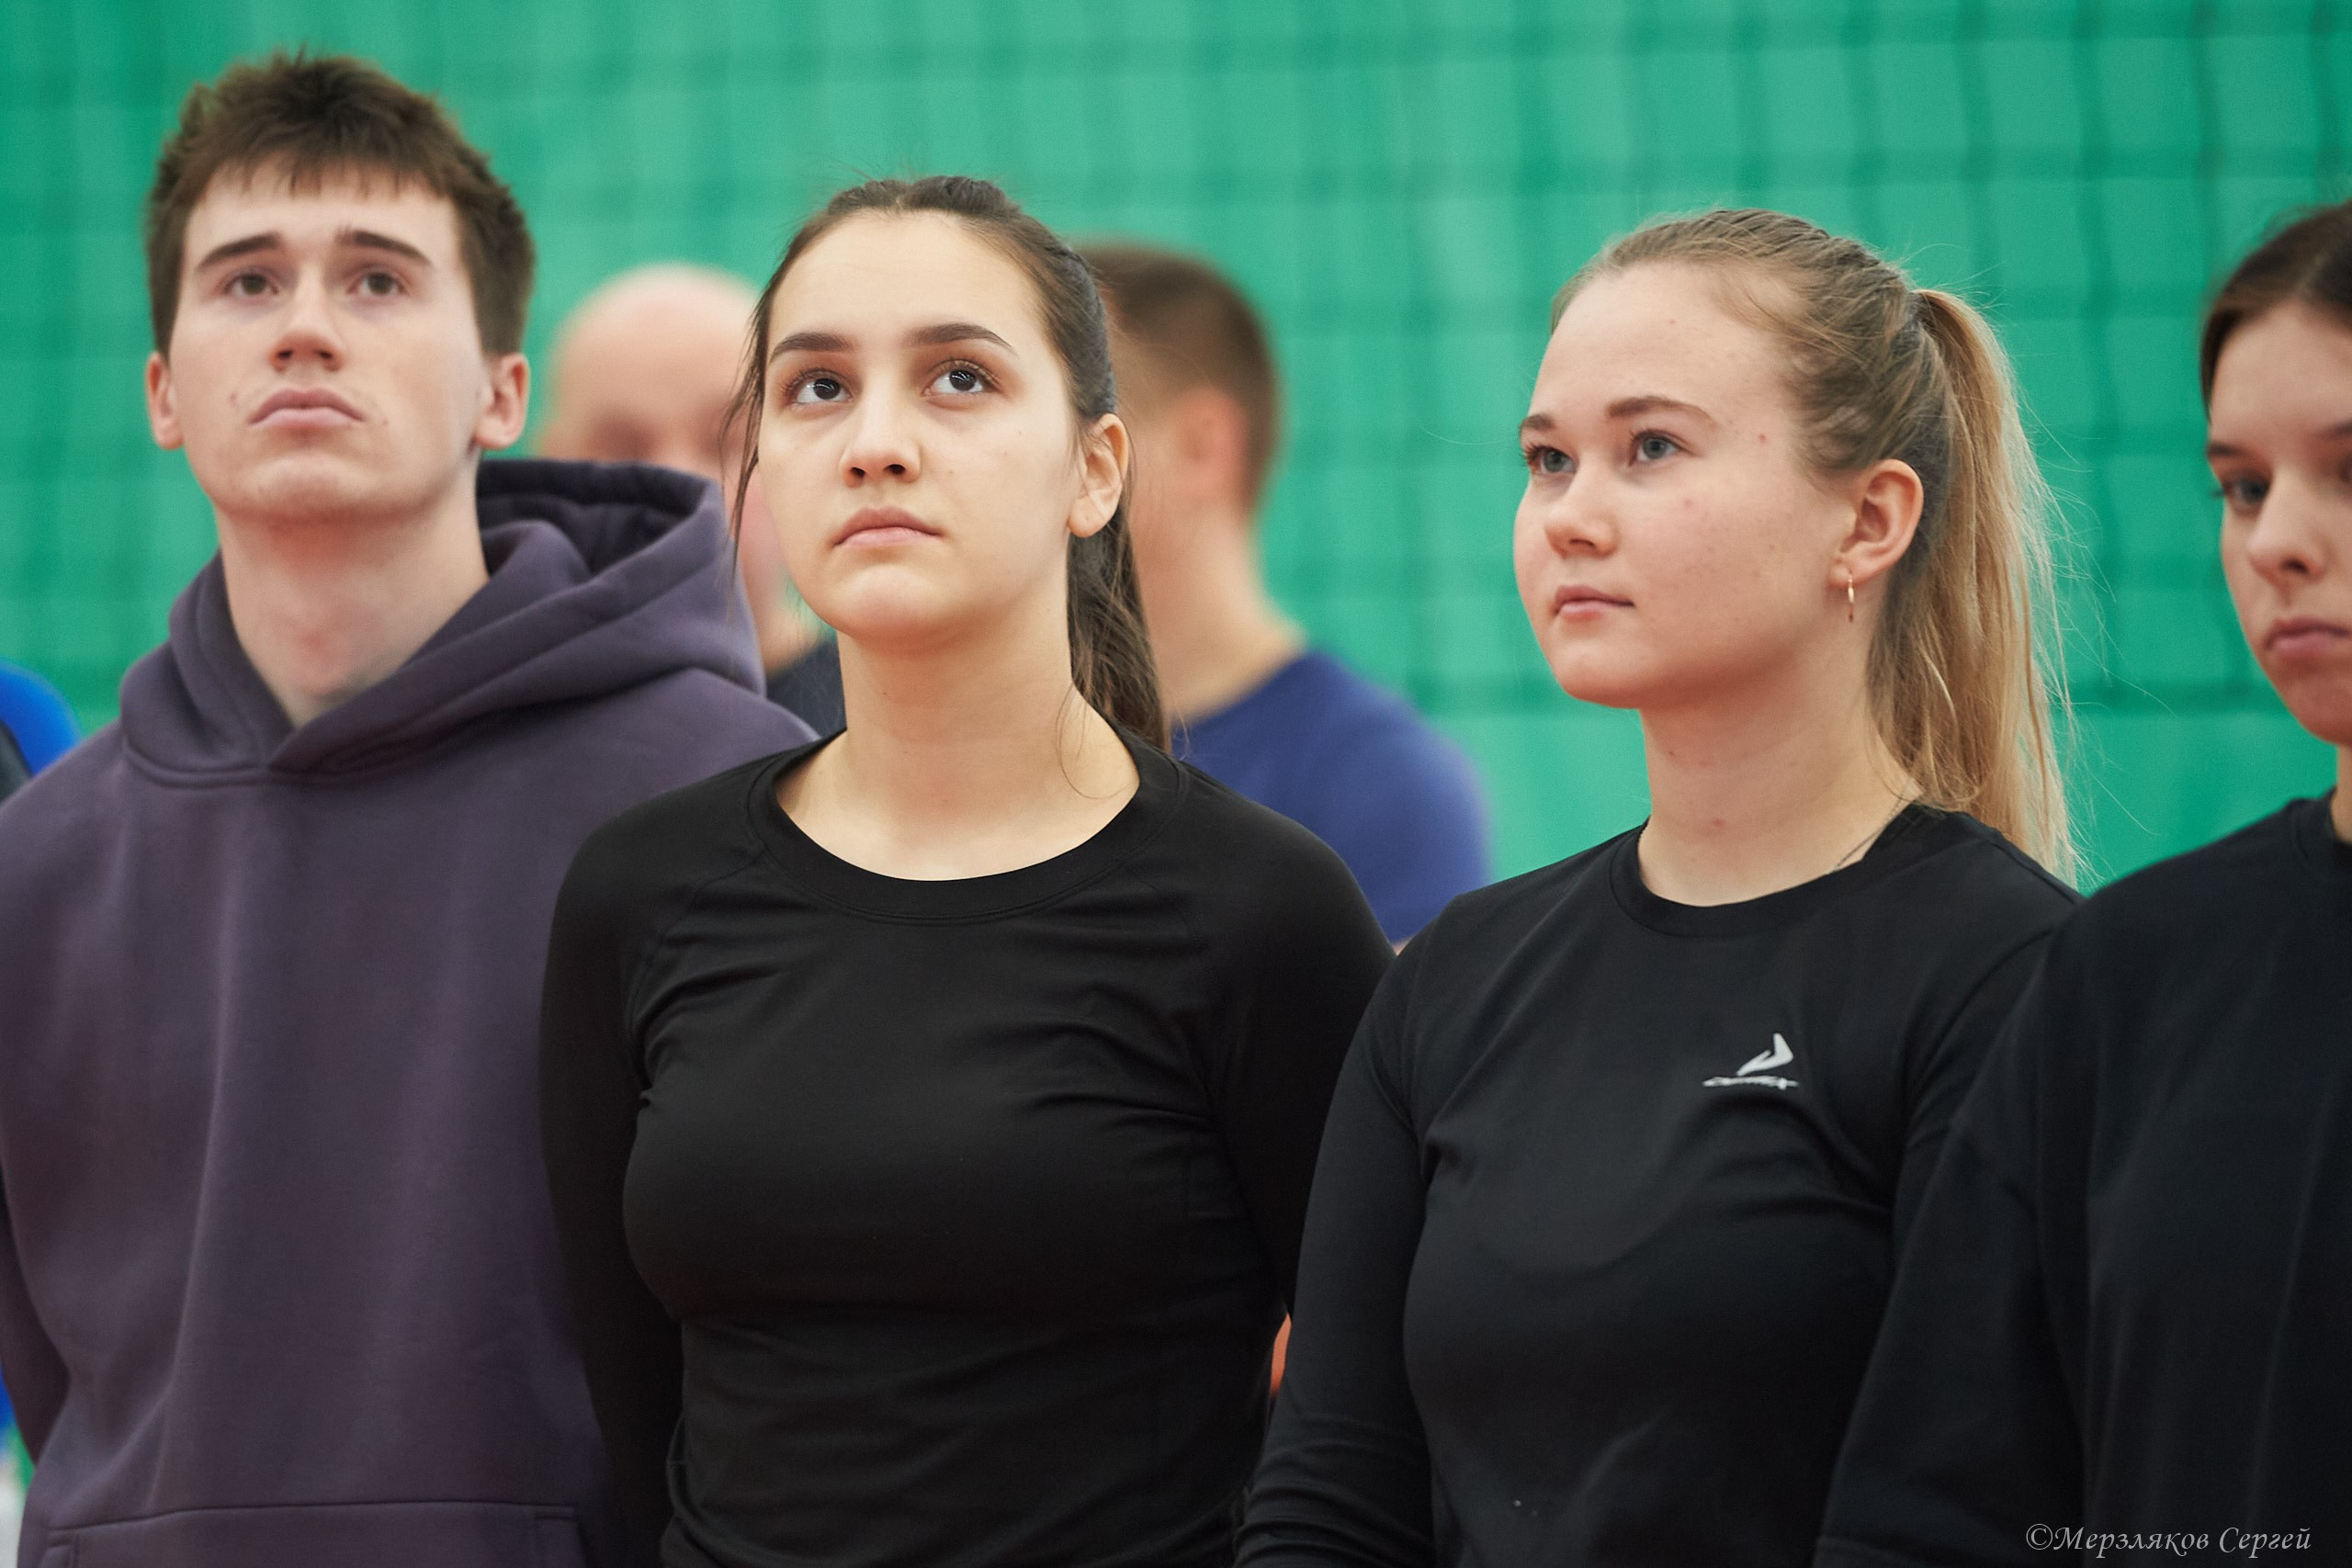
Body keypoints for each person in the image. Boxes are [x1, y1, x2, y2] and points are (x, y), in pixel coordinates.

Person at [0, 53, 809, 1568]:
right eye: (246, 282)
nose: (306, 323)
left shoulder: (733, 802)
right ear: (164, 393)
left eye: (377, 280)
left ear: (505, 386)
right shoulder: (37, 864)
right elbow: (59, 1373)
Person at [539, 175, 1392, 1568]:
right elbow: (639, 1428)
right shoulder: (640, 893)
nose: (876, 441)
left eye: (957, 377)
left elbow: (1371, 1428)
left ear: (1095, 467)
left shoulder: (1261, 911)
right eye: (816, 387)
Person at [1238, 209, 2079, 1566]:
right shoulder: (1453, 979)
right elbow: (1331, 1494)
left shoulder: (2012, 974)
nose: (1572, 514)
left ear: (1867, 518)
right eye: (1547, 458)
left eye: (1651, 449)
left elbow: (1969, 1509)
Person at [1815, 201, 2352, 1566]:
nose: (2278, 538)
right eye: (2242, 483)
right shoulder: (2136, 970)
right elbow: (1945, 1502)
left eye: (2349, 469)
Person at [1080, 243, 1488, 942]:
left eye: (1083, 431)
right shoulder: (986, 746)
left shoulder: (1379, 779)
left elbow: (1402, 1052)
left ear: (1202, 446)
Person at [539, 264, 846, 733]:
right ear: (552, 471)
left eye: (725, 441)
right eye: (624, 450)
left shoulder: (886, 736)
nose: (679, 485)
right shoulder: (504, 733)